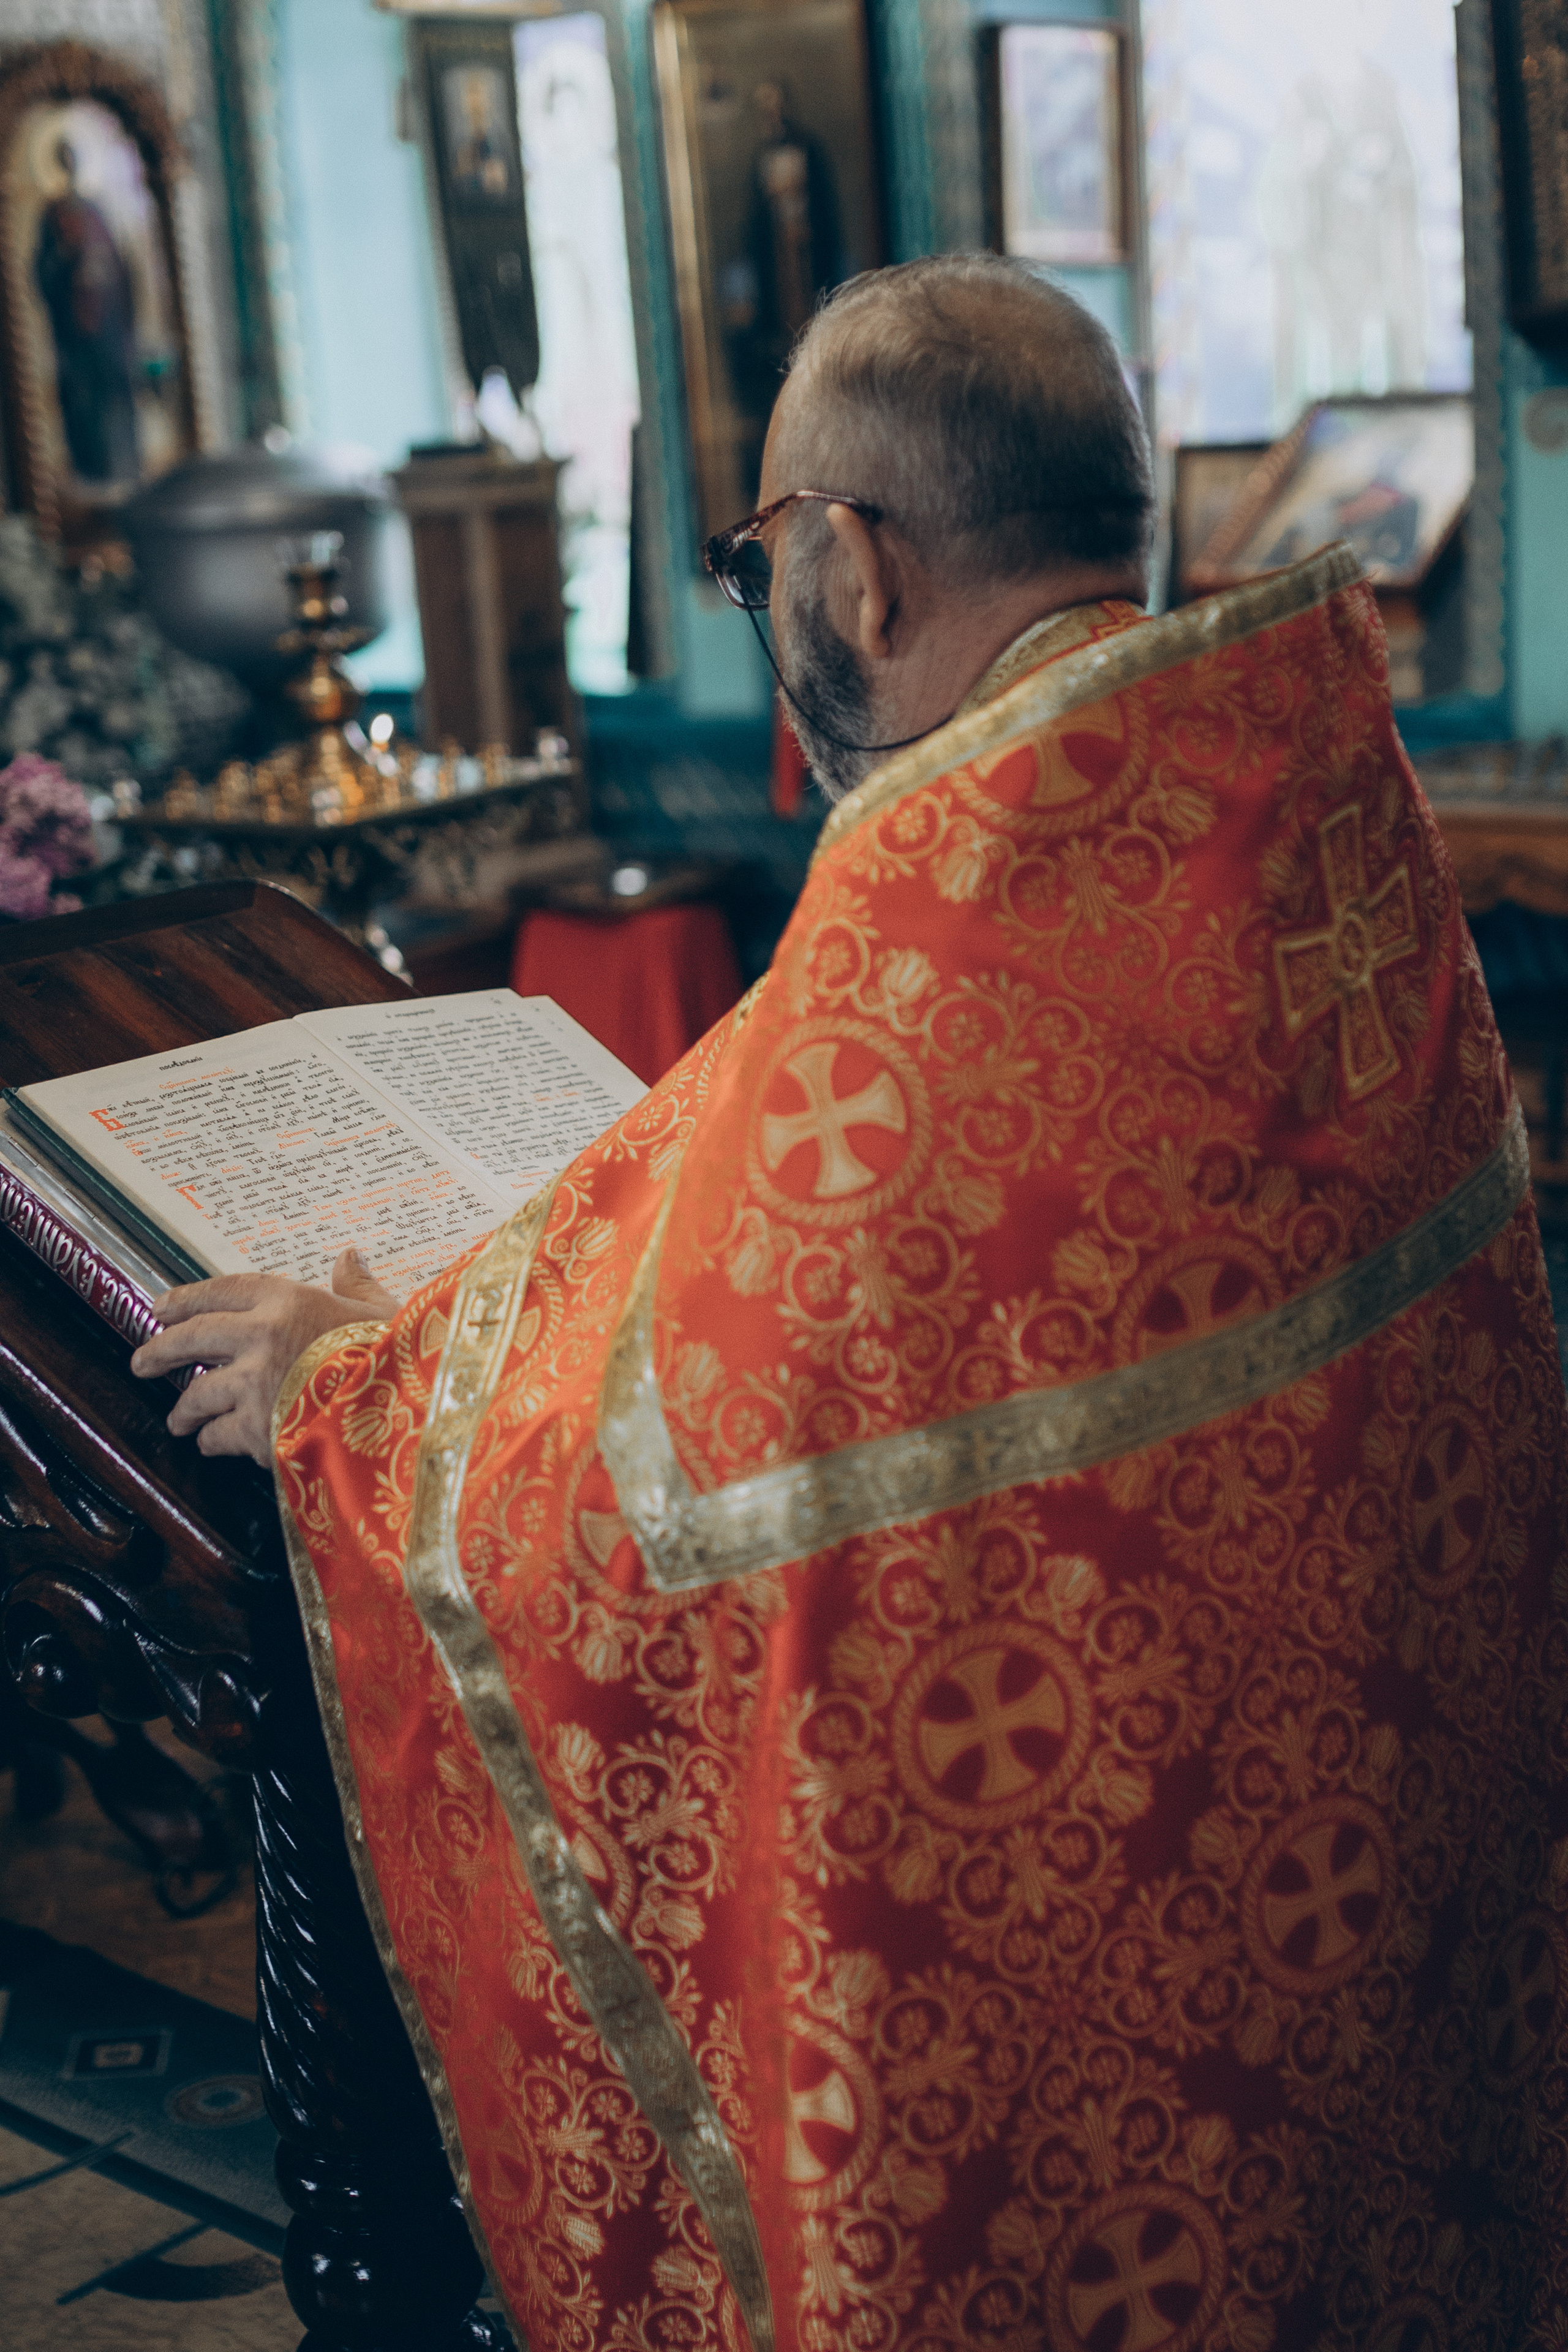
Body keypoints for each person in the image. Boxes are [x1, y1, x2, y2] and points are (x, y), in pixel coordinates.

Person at [132, 256, 1568, 2352]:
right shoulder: (1300, 823)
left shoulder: (965, 914)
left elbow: (656, 1492)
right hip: (1356, 1961)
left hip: (1064, 2075)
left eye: (759, 559)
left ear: (852, 564)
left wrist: (358, 1394)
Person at [33, 137, 140, 485]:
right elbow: (43, 271)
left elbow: (120, 265)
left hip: (108, 326)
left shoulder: (95, 210)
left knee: (116, 399)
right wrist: (68, 263)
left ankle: (126, 469)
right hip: (76, 331)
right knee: (83, 403)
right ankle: (92, 475)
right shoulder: (52, 215)